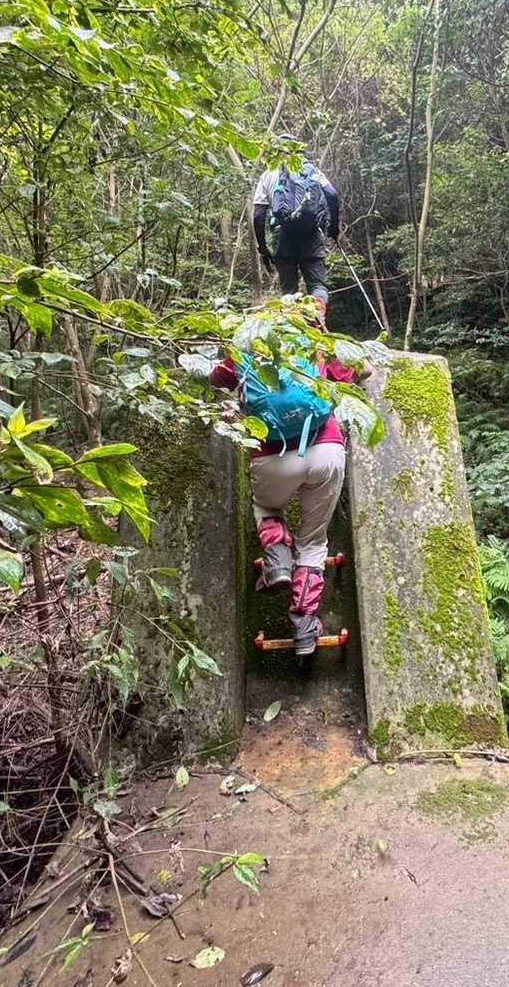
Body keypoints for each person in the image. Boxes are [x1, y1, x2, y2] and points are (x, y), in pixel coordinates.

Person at [210, 304, 368, 655]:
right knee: (313, 541)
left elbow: (214, 378)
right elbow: (365, 370)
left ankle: (278, 558)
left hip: (272, 456)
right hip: (326, 449)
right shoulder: (314, 343)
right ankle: (304, 626)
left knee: (266, 508)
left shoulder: (247, 347)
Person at [253, 136, 340, 310]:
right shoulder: (310, 169)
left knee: (289, 290)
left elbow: (258, 215)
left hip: (282, 234)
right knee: (317, 285)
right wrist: (333, 228)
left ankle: (293, 320)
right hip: (311, 233)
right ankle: (318, 312)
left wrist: (263, 249)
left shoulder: (268, 174)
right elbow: (332, 194)